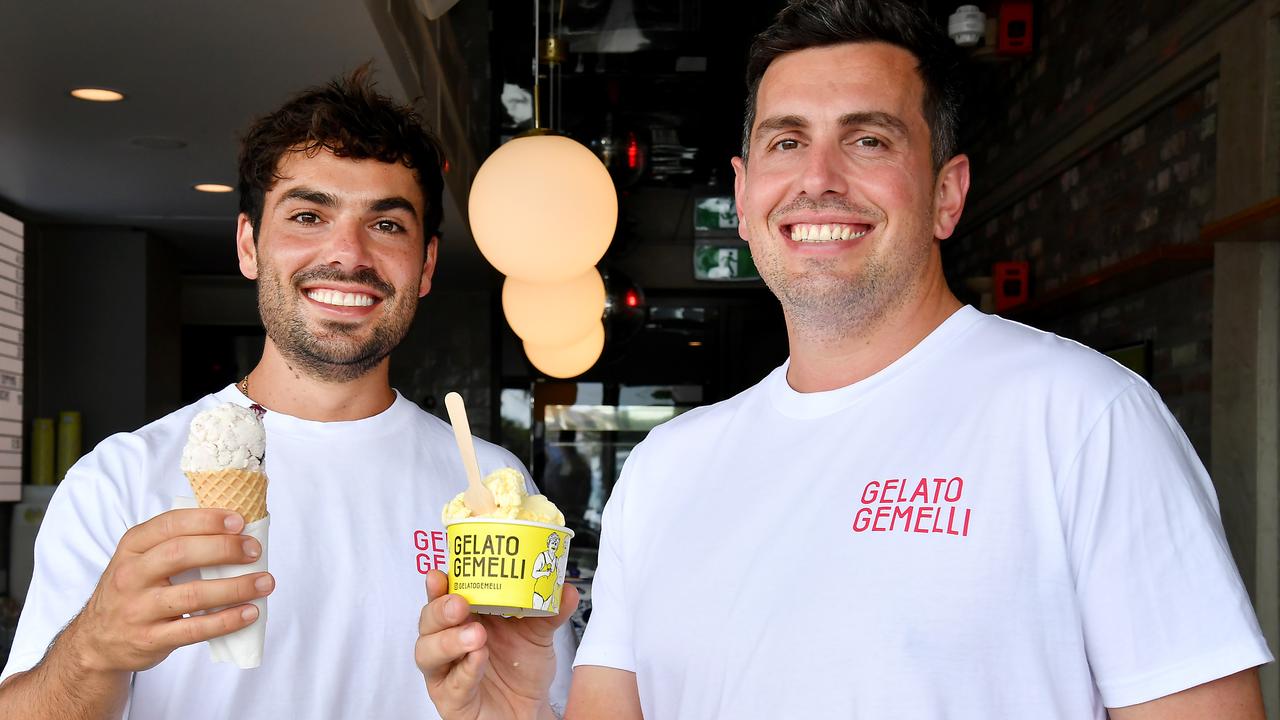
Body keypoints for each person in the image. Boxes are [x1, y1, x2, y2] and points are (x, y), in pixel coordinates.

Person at [414, 1, 1272, 718]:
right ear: (745, 197)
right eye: (787, 142)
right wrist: (515, 706)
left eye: (868, 140)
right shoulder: (668, 467)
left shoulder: (1084, 416)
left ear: (947, 193)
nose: (818, 178)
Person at [0, 67, 573, 719]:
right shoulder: (122, 480)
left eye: (387, 225)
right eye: (307, 215)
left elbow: (528, 703)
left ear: (427, 266)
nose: (347, 253)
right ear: (249, 244)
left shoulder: (494, 490)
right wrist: (90, 651)